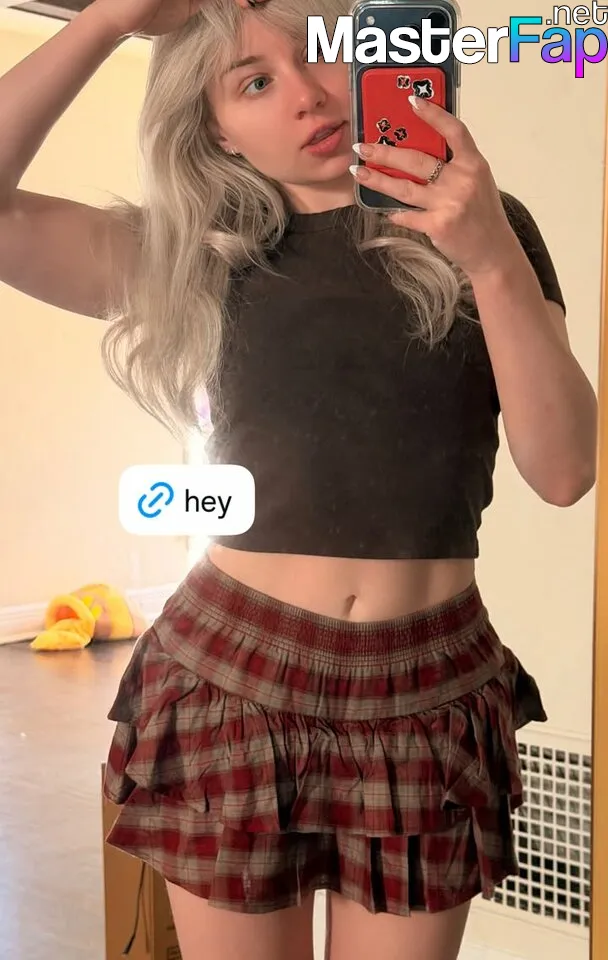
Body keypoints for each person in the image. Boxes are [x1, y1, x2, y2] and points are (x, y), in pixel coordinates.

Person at [0, 0, 598, 957]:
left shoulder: (492, 229)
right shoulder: (197, 251)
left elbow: (565, 471)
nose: (310, 96)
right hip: (231, 680)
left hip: (429, 688)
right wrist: (107, 20)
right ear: (216, 131)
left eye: (322, 53)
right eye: (255, 81)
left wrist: (489, 254)